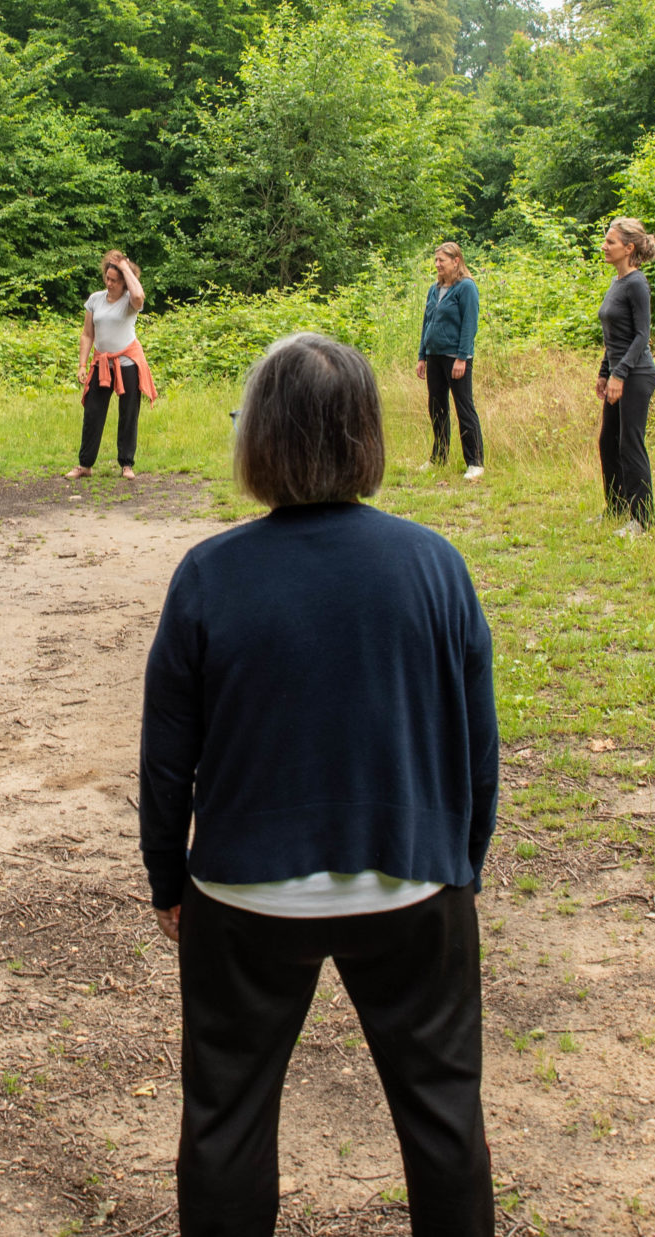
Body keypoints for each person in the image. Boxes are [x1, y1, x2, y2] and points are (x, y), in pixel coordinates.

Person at [140, 333, 497, 1237]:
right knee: (444, 1117)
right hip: (412, 879)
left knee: (225, 1117)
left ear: (257, 436)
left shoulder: (209, 574)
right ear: (366, 434)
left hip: (244, 889)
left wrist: (167, 877)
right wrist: (462, 862)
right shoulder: (433, 565)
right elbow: (477, 741)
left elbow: (166, 753)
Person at [596, 219, 655, 536]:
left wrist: (620, 374)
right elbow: (614, 338)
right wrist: (605, 373)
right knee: (608, 441)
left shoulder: (636, 283)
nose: (604, 246)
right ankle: (617, 507)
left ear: (628, 248)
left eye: (611, 242)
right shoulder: (616, 282)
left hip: (637, 374)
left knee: (630, 444)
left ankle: (642, 520)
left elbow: (641, 337)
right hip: (618, 373)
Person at [70, 250, 154, 480]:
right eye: (107, 278)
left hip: (128, 362)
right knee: (93, 412)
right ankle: (85, 465)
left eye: (114, 280)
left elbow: (139, 295)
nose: (109, 283)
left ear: (124, 281)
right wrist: (82, 364)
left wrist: (125, 267)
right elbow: (87, 334)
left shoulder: (130, 300)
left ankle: (126, 464)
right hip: (102, 363)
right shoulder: (96, 299)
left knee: (128, 413)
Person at [414, 242, 483, 479]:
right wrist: (422, 356)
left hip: (456, 357)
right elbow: (427, 322)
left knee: (464, 407)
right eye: (436, 260)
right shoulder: (434, 289)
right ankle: (439, 457)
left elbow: (469, 325)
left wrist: (462, 358)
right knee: (437, 407)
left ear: (456, 261)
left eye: (441, 260)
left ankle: (475, 462)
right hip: (434, 355)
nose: (437, 265)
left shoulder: (466, 288)